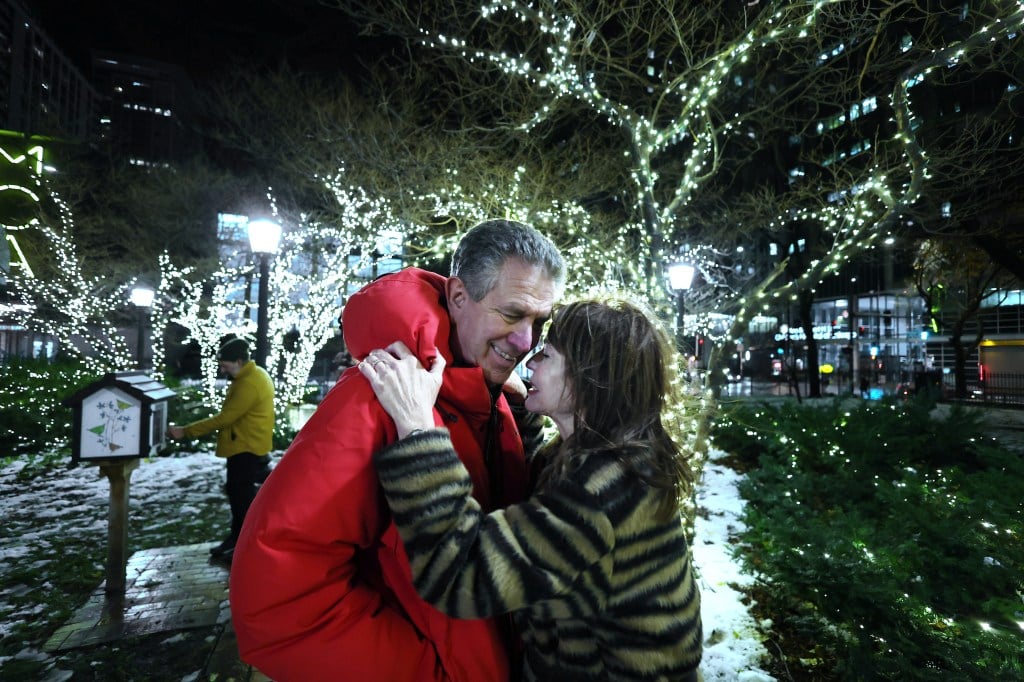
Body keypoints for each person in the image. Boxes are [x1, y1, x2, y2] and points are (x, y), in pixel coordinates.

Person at [229, 220, 564, 681]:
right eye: (512, 314)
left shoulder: (492, 395)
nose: (527, 342)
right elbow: (275, 598)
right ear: (460, 296)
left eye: (539, 322)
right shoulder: (378, 396)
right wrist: (422, 671)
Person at [361, 295, 704, 681]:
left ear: (589, 377)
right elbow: (550, 511)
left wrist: (417, 430)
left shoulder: (604, 489)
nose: (530, 361)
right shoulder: (609, 456)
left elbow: (462, 576)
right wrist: (522, 410)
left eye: (547, 354)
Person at [168, 337, 274, 561]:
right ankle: (237, 538)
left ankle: (243, 543)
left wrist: (186, 431)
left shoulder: (249, 383)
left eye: (225, 363)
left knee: (240, 497)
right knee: (238, 495)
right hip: (245, 444)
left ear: (238, 360)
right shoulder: (249, 376)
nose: (221, 367)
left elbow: (226, 418)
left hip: (246, 447)